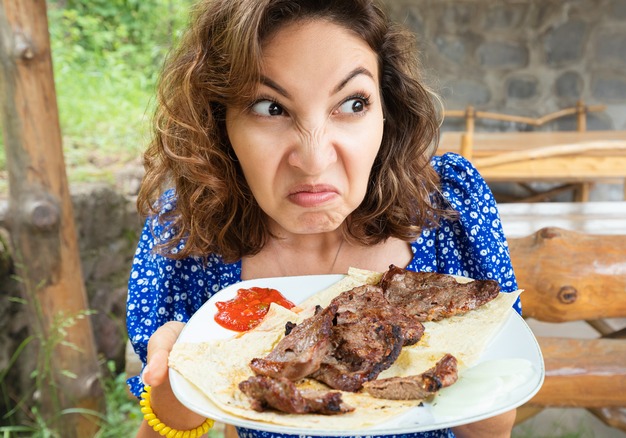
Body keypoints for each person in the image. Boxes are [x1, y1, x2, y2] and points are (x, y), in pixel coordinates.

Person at [126, 0, 520, 437]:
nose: (314, 161)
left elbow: (494, 427)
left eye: (352, 104)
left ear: (387, 111)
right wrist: (176, 378)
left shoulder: (449, 210)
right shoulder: (192, 231)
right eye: (270, 108)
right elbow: (170, 424)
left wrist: (455, 361)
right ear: (219, 122)